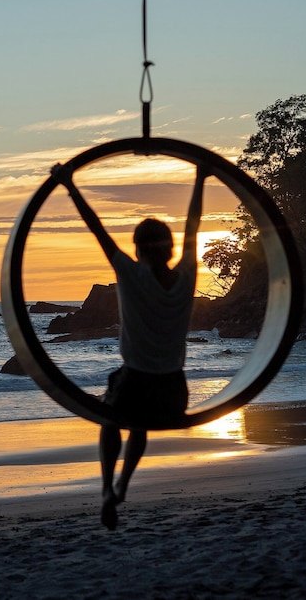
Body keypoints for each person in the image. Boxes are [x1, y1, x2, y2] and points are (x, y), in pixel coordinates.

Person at [50, 162, 207, 530]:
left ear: (137, 249)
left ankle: (108, 487)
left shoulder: (131, 273)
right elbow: (193, 225)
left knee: (111, 418)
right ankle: (124, 484)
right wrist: (200, 178)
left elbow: (97, 229)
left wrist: (69, 185)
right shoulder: (187, 275)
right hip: (173, 392)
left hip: (135, 384)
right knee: (140, 425)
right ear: (170, 249)